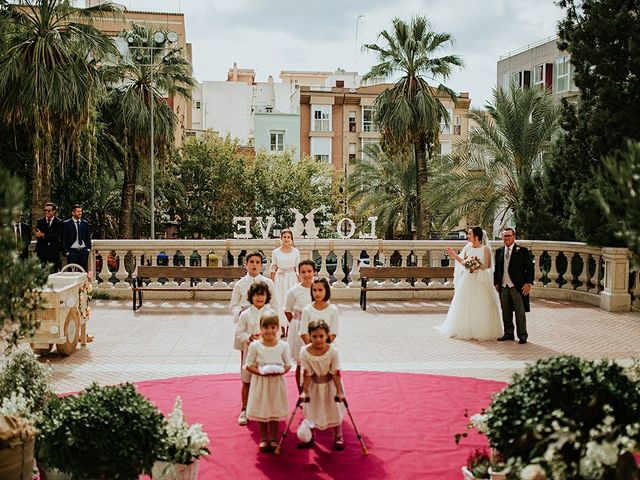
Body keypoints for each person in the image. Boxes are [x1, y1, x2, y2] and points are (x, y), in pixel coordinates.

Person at [436, 226, 503, 340]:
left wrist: (476, 265)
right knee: (465, 303)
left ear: (476, 236)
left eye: (469, 234)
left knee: (481, 303)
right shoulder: (467, 247)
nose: (468, 236)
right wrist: (455, 256)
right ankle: (465, 328)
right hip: (468, 279)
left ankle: (481, 329)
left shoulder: (485, 249)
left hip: (480, 280)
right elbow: (463, 262)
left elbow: (488, 265)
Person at [244, 312, 292, 453]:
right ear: (261, 327)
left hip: (276, 383)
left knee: (274, 409)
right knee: (263, 409)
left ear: (277, 328)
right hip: (261, 382)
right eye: (266, 327)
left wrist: (280, 371)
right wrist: (261, 372)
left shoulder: (283, 345)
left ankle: (274, 438)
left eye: (273, 327)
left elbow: (288, 364)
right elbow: (248, 364)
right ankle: (264, 438)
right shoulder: (255, 346)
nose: (269, 331)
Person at [299, 320, 346, 450]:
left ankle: (338, 435)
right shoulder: (304, 352)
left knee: (334, 408)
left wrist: (339, 391)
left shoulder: (332, 351)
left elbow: (336, 372)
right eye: (314, 336)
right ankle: (311, 434)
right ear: (309, 336)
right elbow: (307, 373)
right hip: (314, 384)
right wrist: (305, 391)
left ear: (327, 336)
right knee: (313, 408)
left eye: (321, 336)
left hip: (331, 383)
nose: (318, 339)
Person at [234, 282, 272, 426]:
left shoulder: (271, 314)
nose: (259, 298)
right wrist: (249, 338)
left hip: (267, 352)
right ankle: (244, 409)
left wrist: (267, 339)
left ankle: (266, 409)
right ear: (251, 297)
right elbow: (239, 333)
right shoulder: (245, 315)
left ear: (267, 296)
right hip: (250, 351)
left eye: (262, 295)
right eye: (256, 295)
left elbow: (278, 332)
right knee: (247, 380)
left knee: (266, 381)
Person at [494, 228, 534, 344]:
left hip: (517, 286)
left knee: (519, 312)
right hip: (503, 286)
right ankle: (508, 333)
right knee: (505, 311)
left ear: (514, 236)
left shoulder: (522, 251)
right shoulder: (499, 251)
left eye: (508, 236)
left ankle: (522, 335)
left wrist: (528, 283)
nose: (506, 238)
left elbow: (530, 269)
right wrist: (496, 283)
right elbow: (497, 269)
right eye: (504, 236)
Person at [284, 259, 316, 391]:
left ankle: (314, 392)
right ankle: (301, 393)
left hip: (316, 328)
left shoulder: (319, 289)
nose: (307, 274)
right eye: (303, 272)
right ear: (298, 273)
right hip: (298, 327)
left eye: (309, 271)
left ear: (314, 272)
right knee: (300, 362)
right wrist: (297, 322)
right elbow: (287, 311)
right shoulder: (293, 291)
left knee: (315, 361)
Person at [229, 251, 278, 323]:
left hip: (264, 319)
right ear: (246, 264)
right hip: (246, 320)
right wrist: (240, 313)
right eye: (251, 262)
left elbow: (275, 304)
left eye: (257, 262)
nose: (254, 265)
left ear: (261, 266)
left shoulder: (268, 283)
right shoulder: (239, 284)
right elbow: (233, 305)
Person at [270, 229, 300, 337]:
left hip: (292, 279)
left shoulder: (296, 252)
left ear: (291, 239)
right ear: (281, 238)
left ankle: (291, 328)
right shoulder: (275, 252)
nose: (286, 239)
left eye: (288, 237)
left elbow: (298, 268)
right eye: (284, 237)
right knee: (280, 301)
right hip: (280, 279)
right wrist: (271, 283)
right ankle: (282, 328)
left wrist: (301, 283)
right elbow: (273, 268)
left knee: (291, 303)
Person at [300, 277, 339, 345]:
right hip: (310, 348)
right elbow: (303, 332)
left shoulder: (333, 310)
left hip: (327, 348)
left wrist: (322, 348)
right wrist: (313, 347)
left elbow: (333, 332)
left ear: (326, 290)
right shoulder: (307, 310)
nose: (317, 293)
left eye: (320, 290)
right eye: (314, 290)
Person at [62, 205, 91, 272]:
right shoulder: (66, 224)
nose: (80, 213)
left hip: (83, 251)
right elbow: (63, 239)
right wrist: (67, 252)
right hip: (72, 252)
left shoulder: (85, 223)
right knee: (72, 273)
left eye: (81, 211)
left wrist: (88, 249)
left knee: (83, 272)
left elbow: (87, 237)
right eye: (78, 211)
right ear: (73, 213)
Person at [35, 202, 63, 272]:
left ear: (54, 211)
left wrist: (43, 234)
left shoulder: (59, 222)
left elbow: (56, 236)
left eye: (48, 211)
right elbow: (38, 236)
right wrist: (47, 235)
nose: (46, 212)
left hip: (54, 252)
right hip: (42, 253)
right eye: (45, 210)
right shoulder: (40, 221)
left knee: (54, 273)